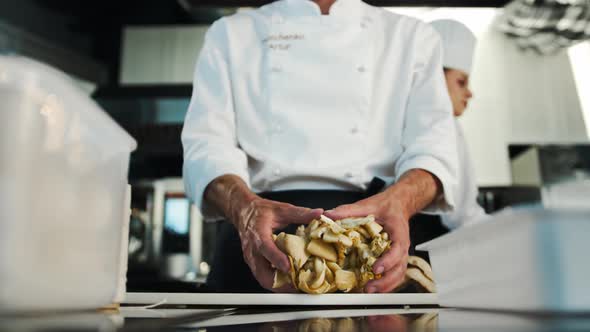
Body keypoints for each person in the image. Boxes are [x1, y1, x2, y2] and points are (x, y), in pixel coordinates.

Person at [182, 0, 459, 294]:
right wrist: (244, 209)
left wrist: (400, 203)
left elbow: (435, 151)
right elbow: (206, 146)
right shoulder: (230, 34)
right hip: (259, 244)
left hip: (370, 243)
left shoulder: (412, 37)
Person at [430, 19, 488, 229]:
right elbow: (462, 217)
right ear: (433, 77)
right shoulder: (443, 123)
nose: (470, 92)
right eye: (461, 81)